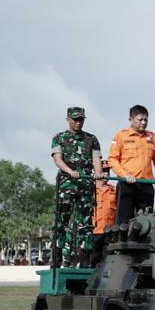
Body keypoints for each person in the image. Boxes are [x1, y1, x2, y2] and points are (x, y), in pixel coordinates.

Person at [50, 106, 103, 267]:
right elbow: (57, 159)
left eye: (81, 119)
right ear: (68, 119)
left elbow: (96, 160)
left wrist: (99, 173)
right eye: (75, 119)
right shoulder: (59, 137)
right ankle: (56, 260)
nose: (78, 123)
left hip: (85, 187)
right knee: (60, 223)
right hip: (66, 186)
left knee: (86, 225)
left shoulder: (91, 139)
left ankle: (84, 260)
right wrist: (69, 171)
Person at [107, 105, 155, 224]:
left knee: (147, 222)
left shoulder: (152, 137)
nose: (143, 122)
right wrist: (124, 174)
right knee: (123, 222)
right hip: (127, 184)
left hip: (146, 185)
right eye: (140, 119)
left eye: (145, 120)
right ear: (130, 120)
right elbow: (112, 159)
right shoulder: (121, 135)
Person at [90, 159, 117, 267]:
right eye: (103, 170)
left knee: (108, 261)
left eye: (107, 171)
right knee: (92, 259)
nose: (106, 173)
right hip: (94, 231)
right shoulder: (89, 190)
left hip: (109, 232)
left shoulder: (114, 190)